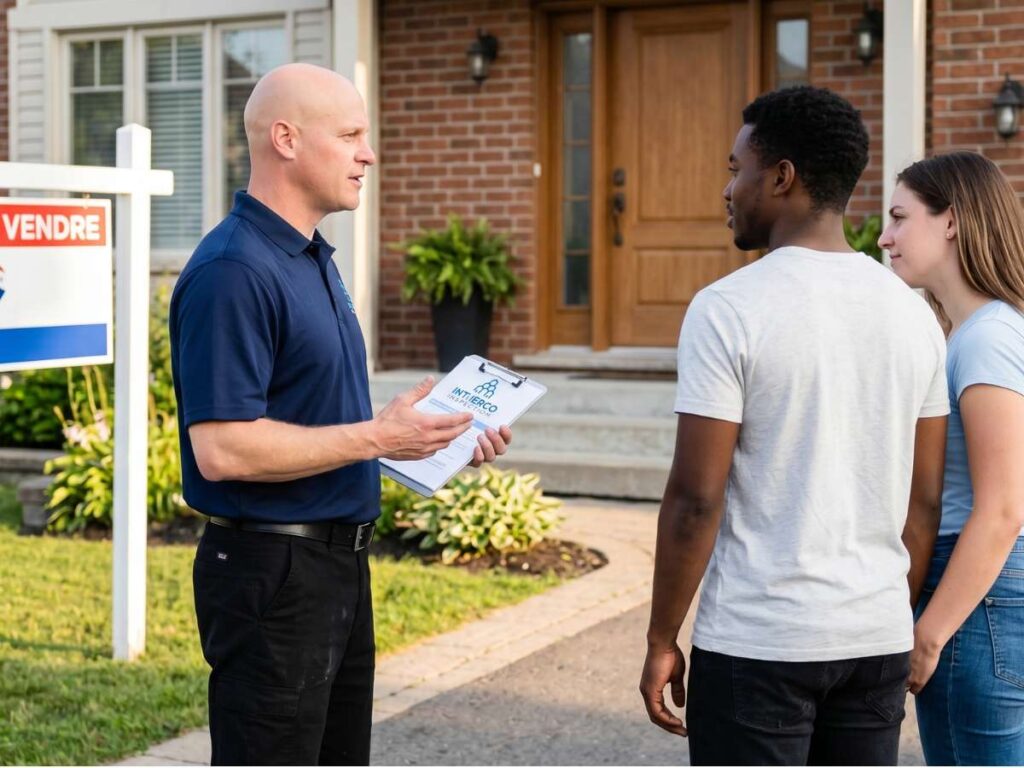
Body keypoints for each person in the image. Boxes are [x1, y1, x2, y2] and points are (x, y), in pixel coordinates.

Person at [169, 63, 512, 766]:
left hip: (335, 570)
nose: (369, 152)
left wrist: (425, 437)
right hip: (273, 574)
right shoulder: (234, 270)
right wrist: (378, 435)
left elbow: (315, 421)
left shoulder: (311, 258)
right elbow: (223, 450)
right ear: (287, 139)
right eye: (351, 133)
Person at [639, 86, 950, 766]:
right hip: (874, 639)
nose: (728, 189)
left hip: (760, 644)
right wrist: (878, 613)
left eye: (736, 168)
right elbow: (922, 504)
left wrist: (663, 638)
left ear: (781, 177)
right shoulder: (914, 315)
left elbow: (696, 500)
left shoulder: (729, 309)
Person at [878, 151, 1024, 765]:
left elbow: (1002, 507)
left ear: (952, 222)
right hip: (985, 595)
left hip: (975, 599)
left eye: (899, 217)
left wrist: (929, 634)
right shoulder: (976, 331)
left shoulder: (988, 337)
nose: (884, 237)